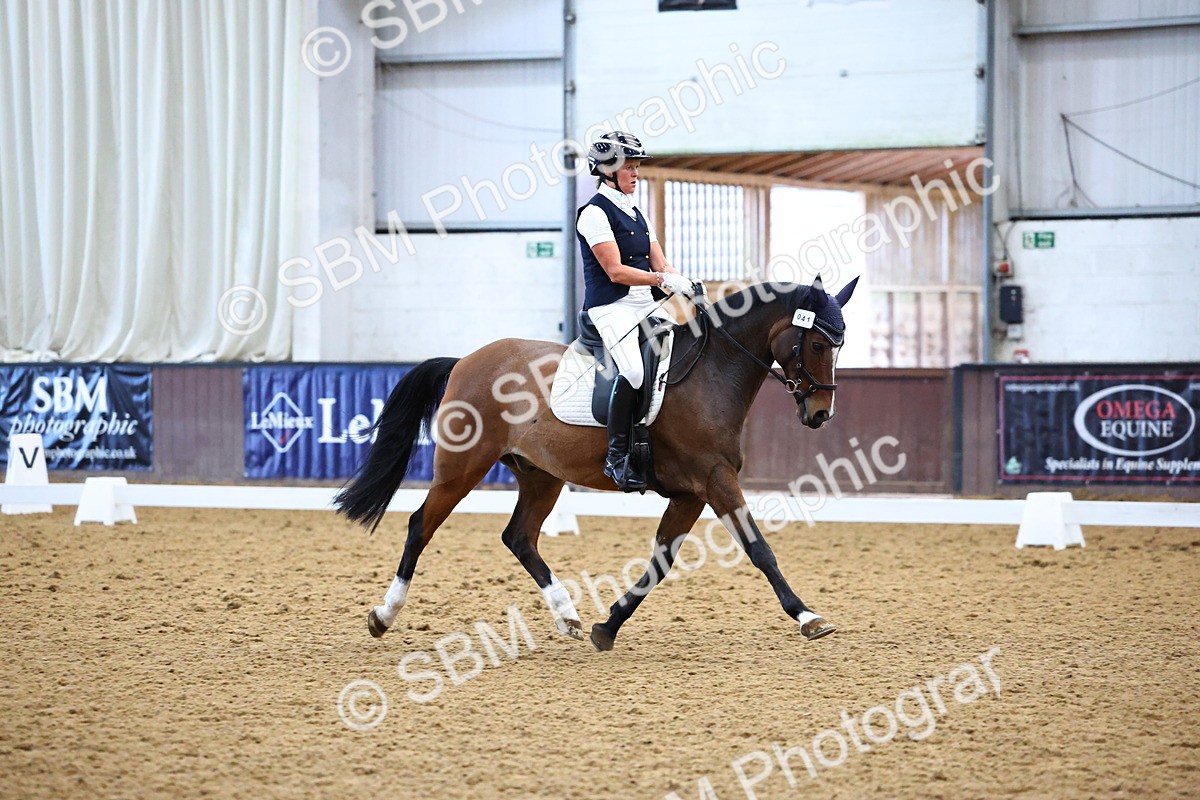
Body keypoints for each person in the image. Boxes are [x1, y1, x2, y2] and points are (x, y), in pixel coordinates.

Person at [576, 131, 698, 491]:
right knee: (631, 371)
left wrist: (685, 283)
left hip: (645, 305)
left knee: (685, 351)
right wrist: (661, 279)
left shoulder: (637, 212)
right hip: (611, 307)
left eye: (636, 166)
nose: (635, 173)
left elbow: (661, 263)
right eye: (628, 167)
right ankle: (617, 457)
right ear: (607, 170)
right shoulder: (594, 214)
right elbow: (616, 271)